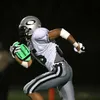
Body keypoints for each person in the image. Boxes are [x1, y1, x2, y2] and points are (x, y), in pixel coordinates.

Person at [10, 16, 85, 100]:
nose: (22, 32)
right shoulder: (31, 43)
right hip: (64, 70)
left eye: (24, 29)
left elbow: (60, 31)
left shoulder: (37, 34)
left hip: (59, 70)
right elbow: (28, 64)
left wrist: (76, 45)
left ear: (32, 27)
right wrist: (15, 56)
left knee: (28, 89)